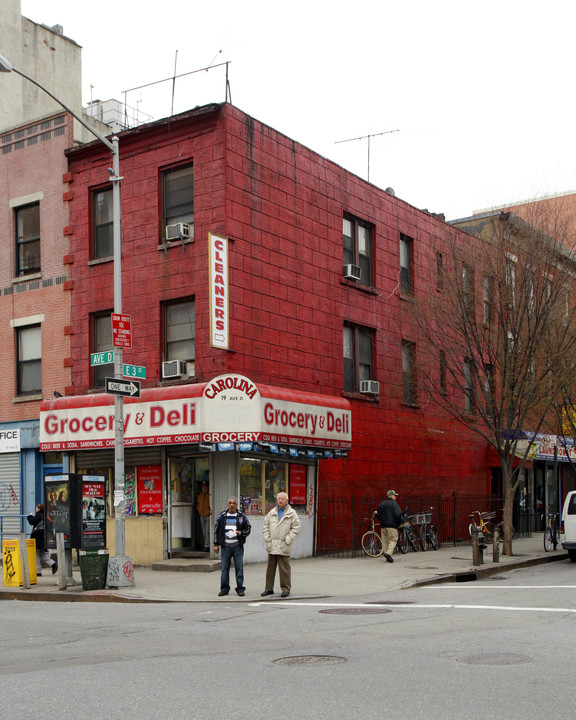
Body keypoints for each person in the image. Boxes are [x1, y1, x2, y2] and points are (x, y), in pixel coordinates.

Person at [261, 491, 301, 598]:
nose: (280, 500)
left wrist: (288, 539)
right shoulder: (272, 512)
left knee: (284, 569)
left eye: (283, 499)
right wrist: (267, 539)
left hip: (284, 545)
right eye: (279, 499)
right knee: (270, 568)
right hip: (272, 544)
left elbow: (296, 527)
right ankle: (269, 588)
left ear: (287, 501)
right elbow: (265, 526)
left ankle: (285, 589)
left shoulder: (291, 513)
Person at [213, 497, 251, 597]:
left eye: (234, 503)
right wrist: (216, 544)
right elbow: (216, 530)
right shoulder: (222, 516)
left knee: (239, 568)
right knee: (224, 568)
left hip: (237, 546)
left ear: (237, 505)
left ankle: (240, 588)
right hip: (226, 546)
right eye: (230, 503)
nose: (232, 505)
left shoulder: (241, 516)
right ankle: (224, 588)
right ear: (227, 504)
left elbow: (248, 529)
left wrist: (240, 533)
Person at [27, 503, 57, 576]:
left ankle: (38, 571)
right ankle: (53, 564)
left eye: (37, 508)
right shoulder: (45, 516)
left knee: (36, 555)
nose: (36, 509)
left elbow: (32, 522)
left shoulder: (39, 515)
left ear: (39, 508)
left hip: (38, 538)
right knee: (43, 554)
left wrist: (30, 516)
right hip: (43, 538)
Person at [376, 489, 402, 563]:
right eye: (394, 495)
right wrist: (398, 522)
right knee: (393, 539)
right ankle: (388, 553)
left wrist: (383, 520)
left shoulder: (381, 504)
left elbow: (378, 515)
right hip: (392, 525)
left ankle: (387, 555)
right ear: (391, 495)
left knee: (385, 541)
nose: (395, 497)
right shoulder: (394, 504)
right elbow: (398, 515)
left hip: (383, 525)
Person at [196, 480, 211, 551]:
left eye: (205, 486)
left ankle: (206, 545)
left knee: (208, 531)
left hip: (208, 514)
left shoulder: (209, 495)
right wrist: (199, 510)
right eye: (203, 487)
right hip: (201, 514)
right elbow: (198, 504)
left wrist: (209, 511)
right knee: (204, 531)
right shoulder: (200, 495)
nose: (204, 488)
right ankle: (207, 544)